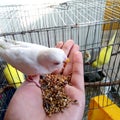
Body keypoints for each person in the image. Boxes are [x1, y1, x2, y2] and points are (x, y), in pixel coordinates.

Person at [4, 40, 85, 120]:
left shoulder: (44, 52)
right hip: (10, 52)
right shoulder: (34, 67)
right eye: (57, 63)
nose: (66, 60)